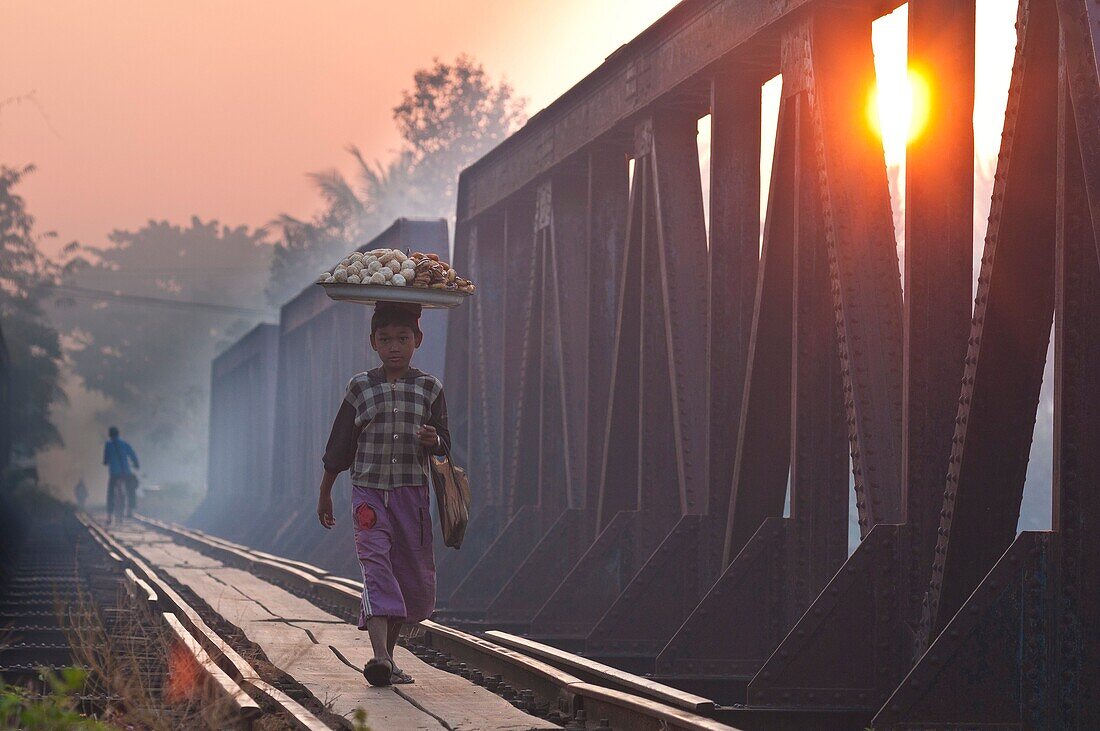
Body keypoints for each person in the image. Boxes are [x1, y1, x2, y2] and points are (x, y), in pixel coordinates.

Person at [317, 301, 450, 687]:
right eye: (386, 339)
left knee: (409, 576)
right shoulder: (360, 387)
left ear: (418, 340)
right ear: (373, 342)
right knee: (377, 568)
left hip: (412, 497)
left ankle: (388, 660)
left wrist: (434, 439)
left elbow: (446, 446)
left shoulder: (430, 389)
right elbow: (339, 445)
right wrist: (325, 493)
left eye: (403, 339)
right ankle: (378, 655)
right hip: (368, 496)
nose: (395, 346)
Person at [103, 426, 139, 524]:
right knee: (130, 489)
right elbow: (132, 455)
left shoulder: (108, 445)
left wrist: (106, 462)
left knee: (110, 493)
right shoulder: (124, 443)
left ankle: (109, 516)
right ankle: (130, 509)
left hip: (114, 474)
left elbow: (105, 459)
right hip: (125, 473)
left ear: (110, 435)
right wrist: (136, 464)